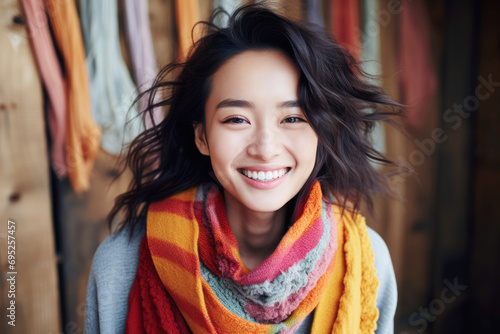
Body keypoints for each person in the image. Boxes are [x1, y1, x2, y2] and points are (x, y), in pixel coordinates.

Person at [85, 3, 403, 333]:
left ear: (320, 134)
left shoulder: (365, 260)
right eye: (237, 119)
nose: (265, 148)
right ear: (202, 136)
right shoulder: (121, 265)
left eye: (292, 118)